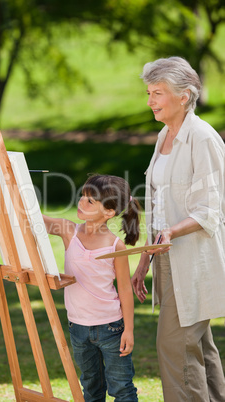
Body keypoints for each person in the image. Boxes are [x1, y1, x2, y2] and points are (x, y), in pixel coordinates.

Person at [131, 56, 225, 401]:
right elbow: (159, 209)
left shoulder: (202, 139)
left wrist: (170, 234)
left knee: (174, 346)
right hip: (167, 258)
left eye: (158, 93)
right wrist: (144, 260)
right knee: (197, 345)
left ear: (184, 96)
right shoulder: (164, 136)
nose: (150, 101)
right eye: (149, 92)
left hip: (195, 260)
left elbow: (210, 210)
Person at [43, 174, 140, 401]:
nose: (81, 202)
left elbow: (124, 290)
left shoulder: (116, 245)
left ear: (109, 212)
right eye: (82, 196)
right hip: (78, 329)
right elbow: (29, 216)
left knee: (122, 389)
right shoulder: (69, 231)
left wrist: (129, 330)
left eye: (90, 201)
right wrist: (9, 188)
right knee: (91, 389)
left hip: (111, 329)